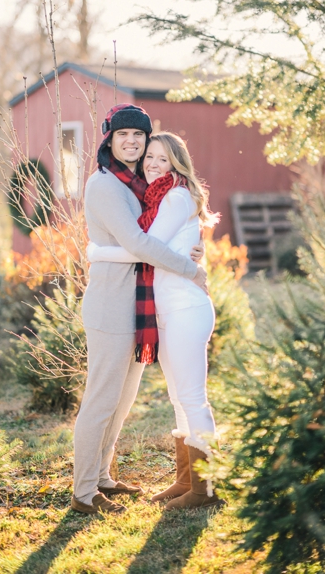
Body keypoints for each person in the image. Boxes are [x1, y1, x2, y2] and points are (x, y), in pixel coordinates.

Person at [72, 104, 208, 515]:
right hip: (110, 307)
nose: (131, 142)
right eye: (122, 135)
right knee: (100, 400)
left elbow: (160, 233)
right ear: (109, 140)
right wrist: (190, 267)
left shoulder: (140, 184)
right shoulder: (106, 186)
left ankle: (103, 477)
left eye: (139, 136)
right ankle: (83, 492)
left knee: (123, 399)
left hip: (136, 305)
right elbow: (138, 242)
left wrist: (193, 246)